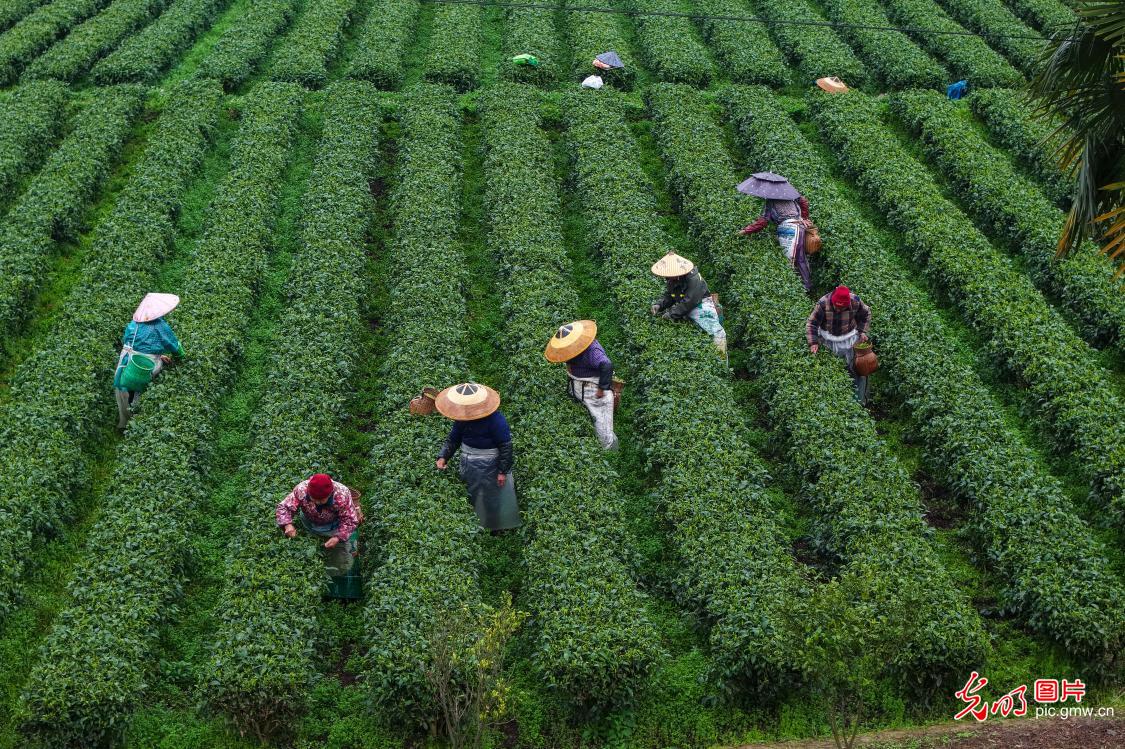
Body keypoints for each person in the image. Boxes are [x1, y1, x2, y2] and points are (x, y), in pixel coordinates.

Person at [434, 383, 522, 534]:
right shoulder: (462, 419)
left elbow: (505, 446)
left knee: (493, 496)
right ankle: (476, 526)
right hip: (469, 462)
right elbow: (453, 439)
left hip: (490, 464)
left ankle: (497, 528)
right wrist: (443, 457)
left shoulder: (496, 420)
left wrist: (502, 471)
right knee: (472, 493)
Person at [544, 320, 618, 451]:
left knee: (600, 418)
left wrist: (602, 389)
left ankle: (607, 447)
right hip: (579, 385)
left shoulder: (592, 350)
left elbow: (607, 365)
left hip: (592, 388)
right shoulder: (573, 349)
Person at [113, 292, 184, 429]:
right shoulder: (160, 326)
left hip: (125, 360)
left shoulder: (133, 324)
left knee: (123, 389)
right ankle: (137, 422)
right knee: (141, 388)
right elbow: (174, 347)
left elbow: (127, 342)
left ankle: (123, 423)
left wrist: (158, 354)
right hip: (144, 364)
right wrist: (179, 357)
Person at [276, 473, 363, 577]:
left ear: (330, 494)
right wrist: (287, 525)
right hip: (309, 522)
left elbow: (350, 519)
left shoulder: (342, 494)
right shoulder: (302, 489)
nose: (317, 502)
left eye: (321, 500)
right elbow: (284, 507)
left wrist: (338, 537)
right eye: (314, 499)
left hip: (333, 525)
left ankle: (337, 573)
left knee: (341, 558)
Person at [737, 172, 813, 292]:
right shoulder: (789, 194)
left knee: (796, 259)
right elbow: (804, 201)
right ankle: (803, 285)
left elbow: (763, 222)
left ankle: (805, 287)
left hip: (792, 229)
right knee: (799, 257)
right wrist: (803, 217)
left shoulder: (771, 202)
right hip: (798, 227)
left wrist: (745, 231)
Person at [650, 252, 727, 356]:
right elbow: (671, 295)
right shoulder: (672, 279)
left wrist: (671, 314)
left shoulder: (693, 279)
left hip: (701, 304)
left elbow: (690, 300)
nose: (667, 278)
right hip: (686, 304)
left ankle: (721, 361)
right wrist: (659, 305)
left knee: (717, 334)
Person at [806, 285, 871, 405]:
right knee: (832, 371)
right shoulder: (822, 303)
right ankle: (835, 402)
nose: (839, 310)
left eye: (843, 308)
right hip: (829, 340)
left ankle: (859, 403)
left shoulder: (855, 301)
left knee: (858, 369)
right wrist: (813, 342)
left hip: (850, 339)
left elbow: (866, 314)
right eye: (837, 307)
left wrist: (862, 331)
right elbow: (812, 323)